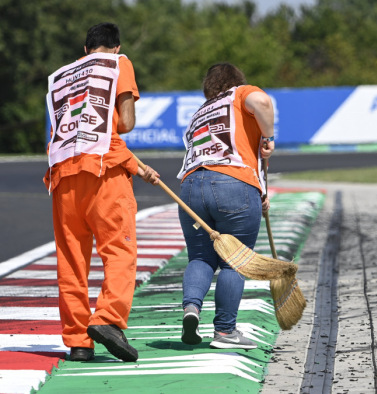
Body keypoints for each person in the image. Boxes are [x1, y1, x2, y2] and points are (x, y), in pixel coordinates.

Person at [44, 22, 160, 362]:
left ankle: (79, 341)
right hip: (103, 174)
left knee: (71, 262)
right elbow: (123, 124)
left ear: (84, 51)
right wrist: (131, 163)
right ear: (116, 46)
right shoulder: (118, 62)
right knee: (119, 251)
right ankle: (108, 319)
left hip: (62, 177)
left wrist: (135, 165)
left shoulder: (63, 76)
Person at [177, 62, 275, 349]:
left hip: (191, 187)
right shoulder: (240, 94)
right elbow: (262, 101)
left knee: (200, 258)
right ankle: (224, 331)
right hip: (233, 184)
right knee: (234, 261)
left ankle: (191, 309)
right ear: (235, 81)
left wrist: (260, 191)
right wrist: (268, 137)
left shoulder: (199, 113)